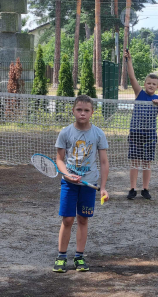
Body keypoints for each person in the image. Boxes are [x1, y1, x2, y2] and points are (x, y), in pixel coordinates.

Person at [53, 95, 109, 273]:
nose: (82, 113)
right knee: (68, 219)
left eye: (86, 110)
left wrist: (104, 187)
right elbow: (59, 160)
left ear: (92, 112)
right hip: (68, 184)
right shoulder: (65, 132)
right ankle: (61, 256)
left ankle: (79, 256)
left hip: (89, 184)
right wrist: (67, 174)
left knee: (83, 219)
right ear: (73, 111)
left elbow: (104, 162)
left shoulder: (98, 134)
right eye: (79, 110)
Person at [125, 49, 158, 200]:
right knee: (135, 161)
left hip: (150, 134)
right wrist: (129, 61)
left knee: (147, 162)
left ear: (157, 86)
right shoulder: (139, 93)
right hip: (136, 133)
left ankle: (145, 189)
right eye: (148, 83)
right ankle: (132, 189)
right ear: (144, 84)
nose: (151, 85)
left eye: (154, 84)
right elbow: (131, 77)